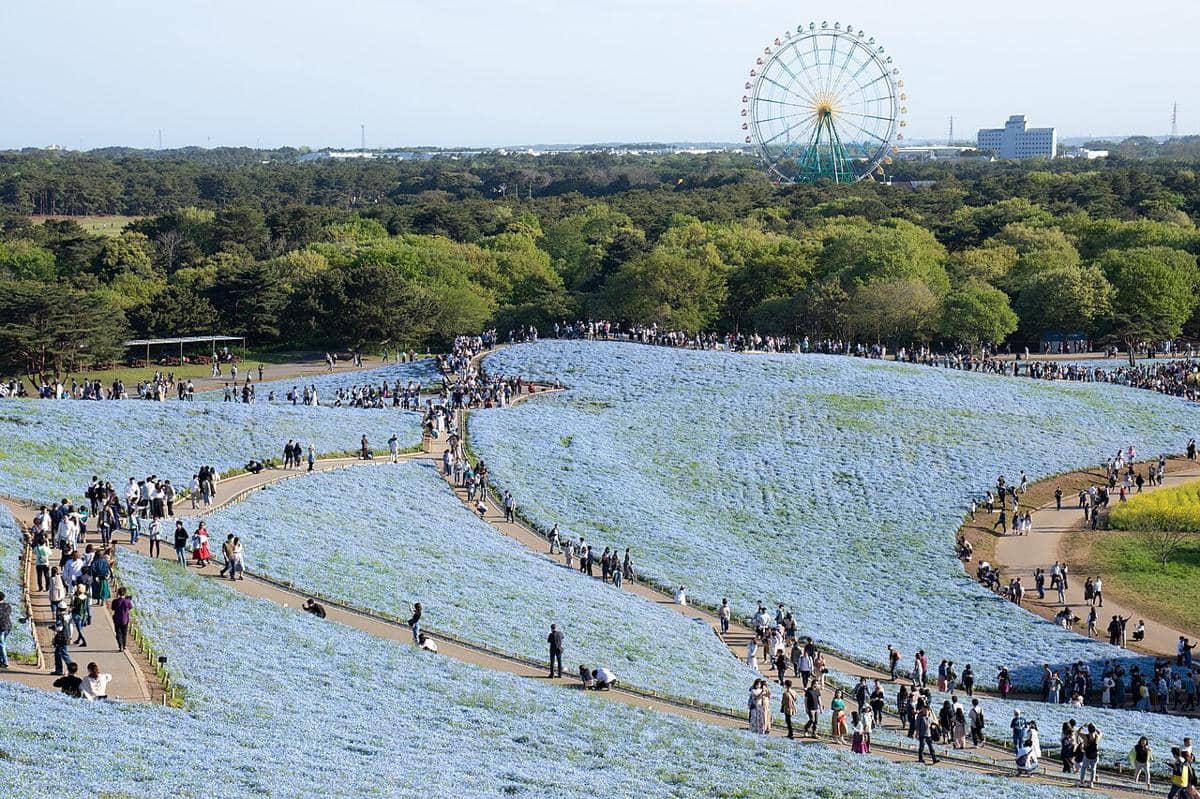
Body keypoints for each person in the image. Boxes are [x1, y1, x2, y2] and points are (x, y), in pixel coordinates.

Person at [1078, 723, 1102, 787]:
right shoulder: (1097, 737)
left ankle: (1081, 781)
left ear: (1088, 730)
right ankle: (1091, 783)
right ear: (1094, 730)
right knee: (1093, 769)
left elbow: (1078, 732)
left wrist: (1083, 726)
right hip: (1095, 755)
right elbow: (1100, 732)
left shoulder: (1085, 737)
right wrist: (1095, 727)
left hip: (1087, 755)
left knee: (1083, 768)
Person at [111, 587, 133, 652]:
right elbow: (130, 607)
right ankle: (124, 645)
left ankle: (120, 645)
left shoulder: (115, 601)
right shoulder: (127, 601)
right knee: (124, 633)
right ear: (125, 593)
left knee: (118, 633)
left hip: (117, 619)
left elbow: (113, 608)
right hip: (125, 619)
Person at [0, 591, 11, 668]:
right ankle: (1, 660)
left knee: (1, 644)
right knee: (2, 643)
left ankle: (5, 661)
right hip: (8, 626)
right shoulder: (8, 605)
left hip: (1, 627)